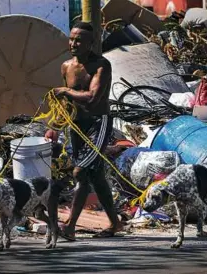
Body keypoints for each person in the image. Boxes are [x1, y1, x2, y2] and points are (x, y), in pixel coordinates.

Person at [44, 21, 121, 240]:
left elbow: (92, 98)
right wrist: (54, 127)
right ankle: (115, 224)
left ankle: (69, 226)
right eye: (72, 39)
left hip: (98, 124)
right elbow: (64, 105)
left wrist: (66, 90)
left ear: (91, 43)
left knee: (79, 172)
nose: (74, 43)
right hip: (77, 126)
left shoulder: (101, 65)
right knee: (95, 176)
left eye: (79, 40)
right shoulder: (66, 66)